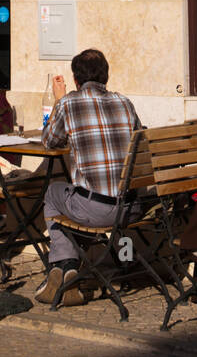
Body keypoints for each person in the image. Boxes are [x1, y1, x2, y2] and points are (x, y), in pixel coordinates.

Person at [36, 48, 141, 308]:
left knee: (52, 193)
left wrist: (60, 101)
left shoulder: (69, 103)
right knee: (73, 198)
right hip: (133, 209)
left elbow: (49, 142)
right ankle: (73, 268)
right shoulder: (124, 102)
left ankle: (66, 265)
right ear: (106, 75)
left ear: (75, 79)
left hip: (97, 210)